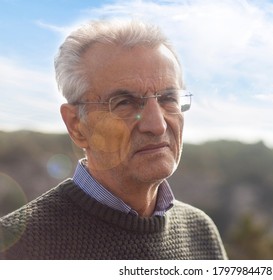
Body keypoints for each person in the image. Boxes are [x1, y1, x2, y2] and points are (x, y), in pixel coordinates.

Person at [0, 19, 227, 260]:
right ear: (77, 126)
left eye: (168, 98)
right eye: (125, 103)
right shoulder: (15, 247)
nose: (157, 125)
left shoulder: (200, 232)